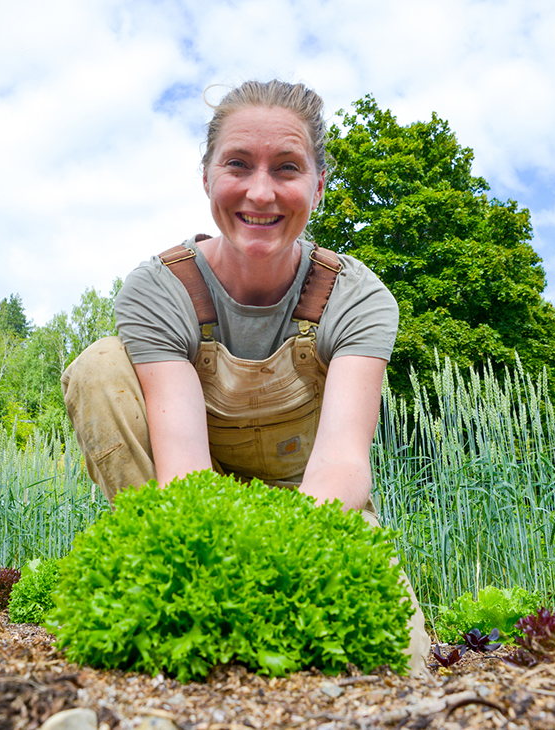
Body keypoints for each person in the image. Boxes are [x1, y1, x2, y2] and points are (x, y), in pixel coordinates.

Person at [61, 79, 429, 676]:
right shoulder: (159, 290)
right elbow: (184, 477)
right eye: (237, 164)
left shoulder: (356, 298)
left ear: (318, 185)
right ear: (207, 177)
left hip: (316, 506)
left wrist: (282, 571)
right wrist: (225, 576)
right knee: (100, 366)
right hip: (194, 504)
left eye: (287, 167)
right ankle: (174, 592)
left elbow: (342, 465)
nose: (261, 192)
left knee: (400, 667)